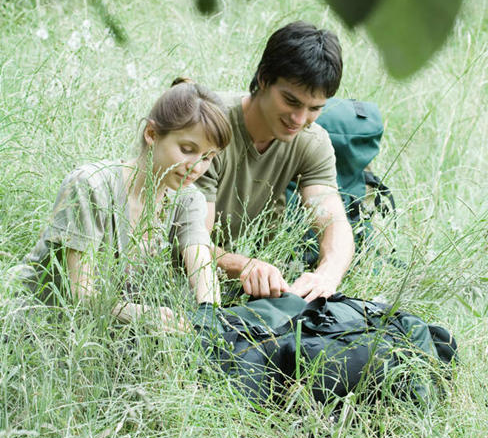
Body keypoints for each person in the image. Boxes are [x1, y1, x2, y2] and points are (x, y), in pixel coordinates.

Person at [10, 79, 231, 331]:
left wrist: (209, 316)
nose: (197, 167)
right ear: (151, 134)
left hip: (107, 330)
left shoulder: (188, 198)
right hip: (39, 324)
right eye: (187, 149)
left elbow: (201, 265)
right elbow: (79, 294)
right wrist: (144, 315)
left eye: (208, 157)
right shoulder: (90, 185)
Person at [198, 22, 355, 303]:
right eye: (291, 101)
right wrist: (243, 266)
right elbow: (191, 240)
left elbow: (333, 220)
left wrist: (327, 275)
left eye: (314, 108)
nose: (300, 119)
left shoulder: (312, 141)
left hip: (260, 280)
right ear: (263, 78)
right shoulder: (209, 125)